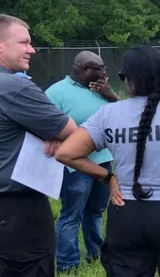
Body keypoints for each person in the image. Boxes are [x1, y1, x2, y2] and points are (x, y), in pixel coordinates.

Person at [54, 46, 160, 277]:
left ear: (129, 80)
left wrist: (108, 177)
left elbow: (66, 153)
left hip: (126, 211)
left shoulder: (109, 114)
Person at [0, 13, 77, 277]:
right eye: (24, 42)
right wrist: (52, 133)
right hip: (16, 212)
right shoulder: (12, 87)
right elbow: (74, 133)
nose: (31, 50)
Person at [45, 51, 120, 273]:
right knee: (71, 214)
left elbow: (126, 114)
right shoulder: (56, 92)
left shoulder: (102, 89)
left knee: (96, 211)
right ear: (85, 70)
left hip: (103, 162)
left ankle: (95, 253)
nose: (105, 72)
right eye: (100, 68)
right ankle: (68, 264)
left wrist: (111, 94)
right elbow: (45, 124)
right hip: (74, 166)